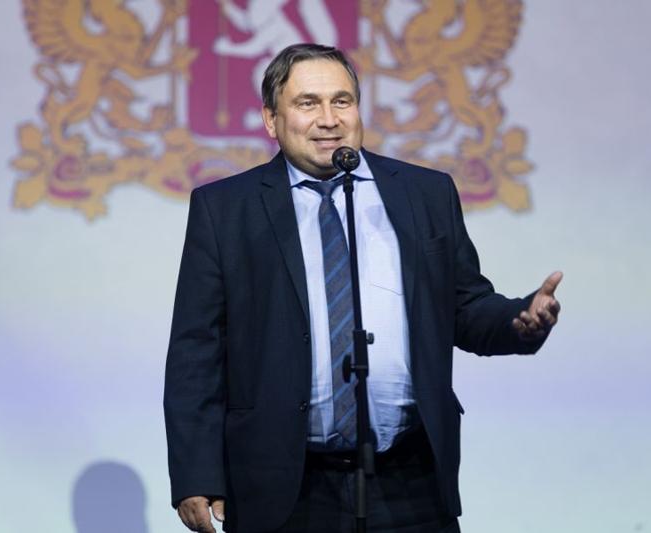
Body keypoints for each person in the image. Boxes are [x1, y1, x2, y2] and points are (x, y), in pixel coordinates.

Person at [164, 43, 562, 533]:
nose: (329, 119)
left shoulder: (424, 193)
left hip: (411, 479)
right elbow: (197, 350)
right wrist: (195, 473)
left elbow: (464, 306)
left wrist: (519, 321)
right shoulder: (226, 209)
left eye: (342, 101)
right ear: (271, 119)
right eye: (308, 103)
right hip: (283, 485)